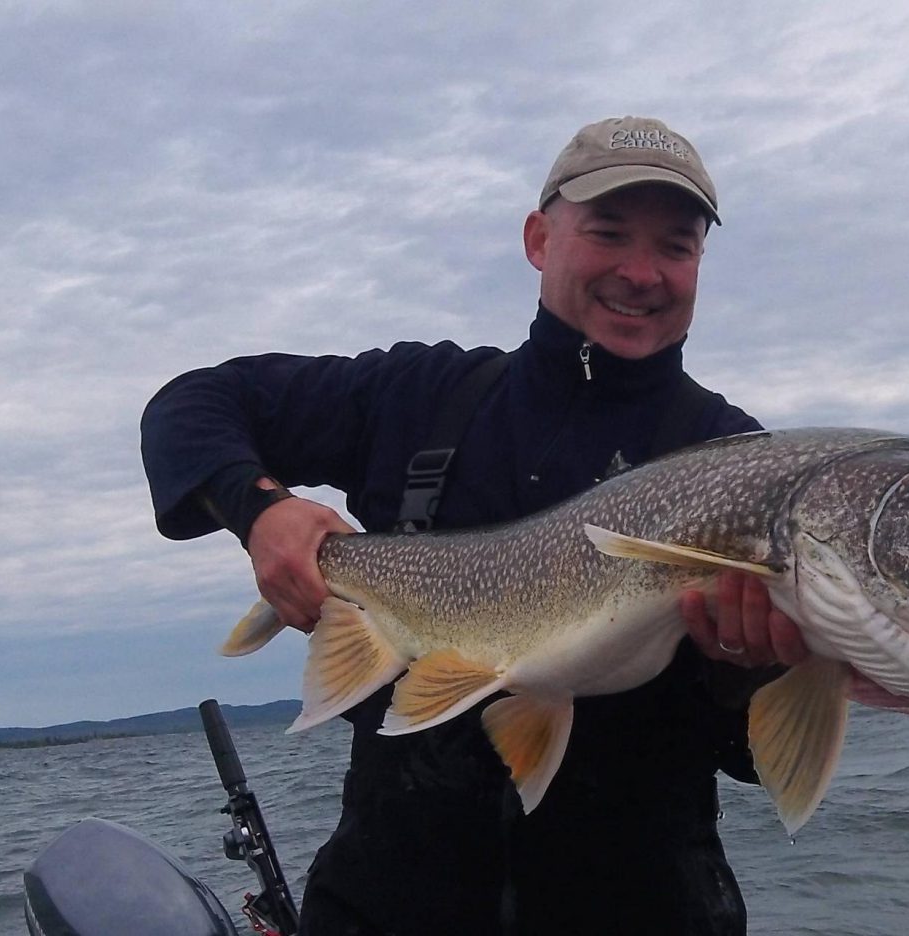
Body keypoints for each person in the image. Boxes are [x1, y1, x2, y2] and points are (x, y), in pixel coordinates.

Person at [141, 115, 808, 935]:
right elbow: (194, 403)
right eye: (608, 233)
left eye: (676, 246)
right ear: (538, 238)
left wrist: (746, 669)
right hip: (382, 904)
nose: (642, 272)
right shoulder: (417, 393)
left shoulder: (739, 461)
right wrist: (259, 509)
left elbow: (747, 755)